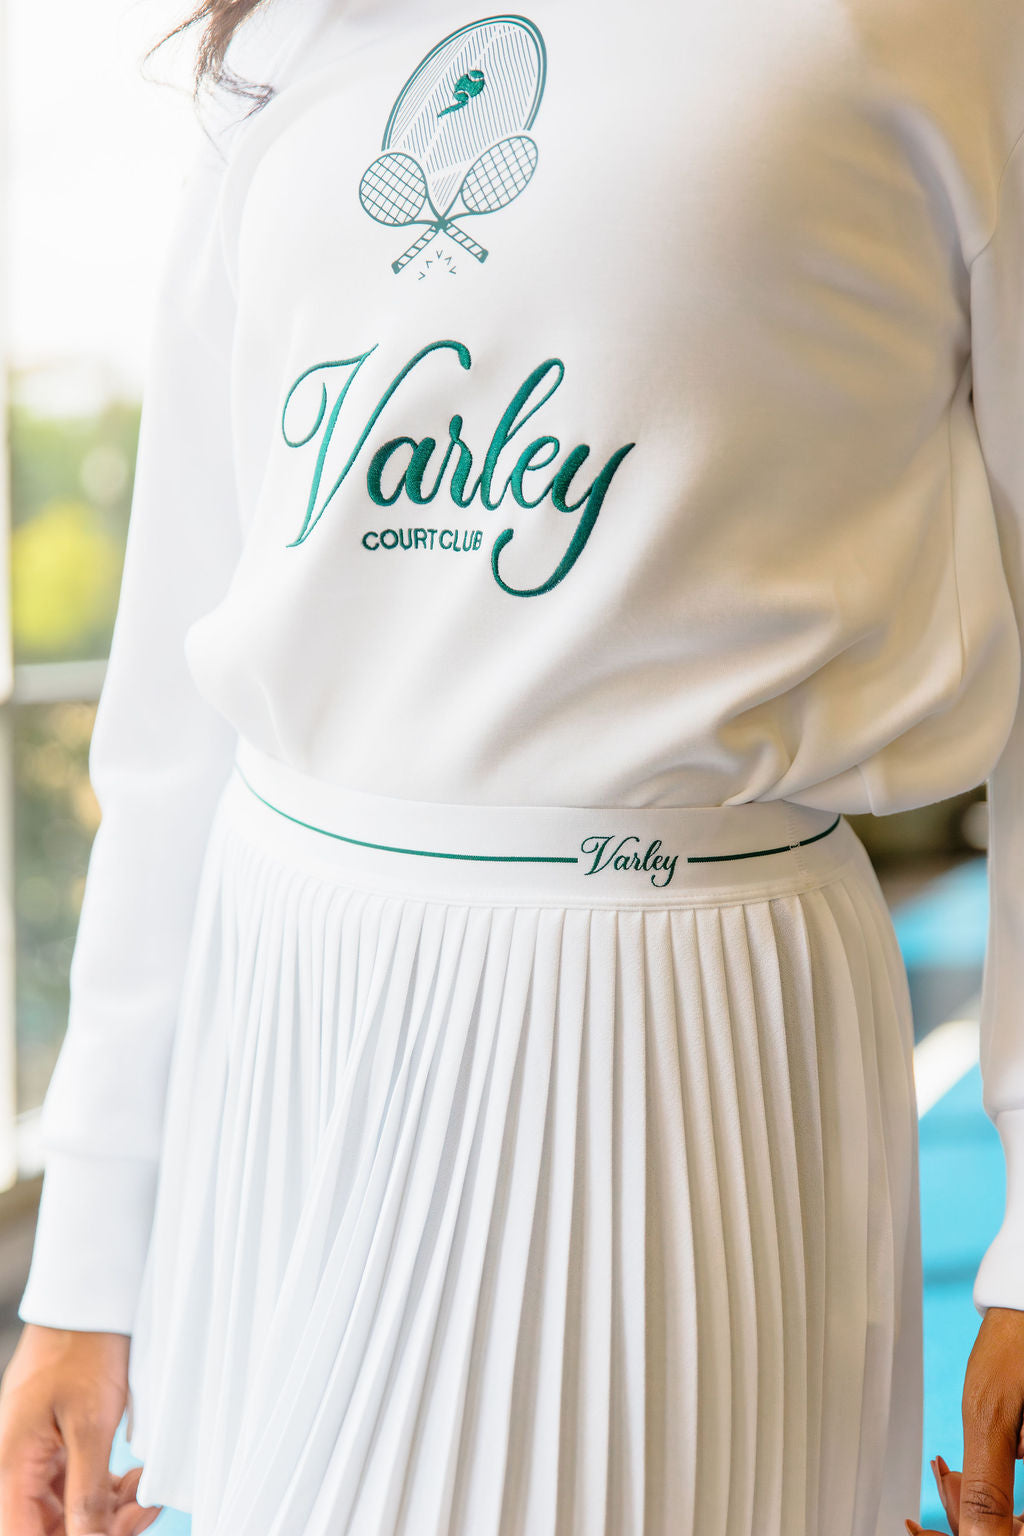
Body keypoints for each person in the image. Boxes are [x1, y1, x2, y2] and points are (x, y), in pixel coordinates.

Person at [2, 0, 1024, 1531]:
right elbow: (172, 710)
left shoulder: (944, 26)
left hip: (671, 1029)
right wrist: (84, 1262)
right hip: (278, 1020)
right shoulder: (289, 34)